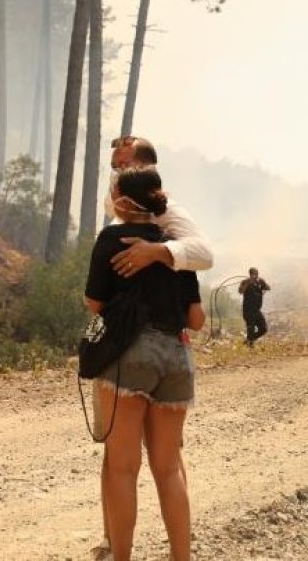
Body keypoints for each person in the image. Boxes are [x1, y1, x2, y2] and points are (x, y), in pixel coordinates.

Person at [86, 165, 201, 561]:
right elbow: (197, 319)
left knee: (122, 468)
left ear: (122, 200)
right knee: (168, 469)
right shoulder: (174, 247)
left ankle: (121, 557)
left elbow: (94, 303)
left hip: (128, 355)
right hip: (176, 358)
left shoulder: (110, 239)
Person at [106, 136, 213, 279]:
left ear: (147, 168)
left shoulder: (167, 210)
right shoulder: (118, 203)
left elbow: (205, 255)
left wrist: (155, 251)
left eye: (125, 165)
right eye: (115, 167)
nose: (118, 172)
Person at [238, 267, 271, 346]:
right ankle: (250, 344)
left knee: (263, 329)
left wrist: (263, 282)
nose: (255, 276)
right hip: (248, 310)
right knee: (251, 328)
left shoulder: (259, 283)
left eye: (256, 274)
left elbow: (268, 288)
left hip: (256, 310)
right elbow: (240, 291)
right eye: (253, 274)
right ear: (250, 274)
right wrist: (248, 283)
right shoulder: (245, 282)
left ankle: (249, 340)